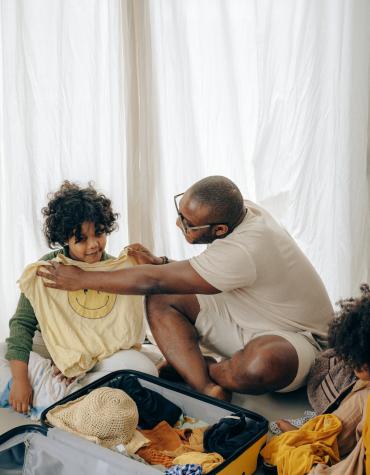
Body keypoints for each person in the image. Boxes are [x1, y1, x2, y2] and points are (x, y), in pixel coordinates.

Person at [37, 176, 333, 400]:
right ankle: (205, 386)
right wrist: (161, 261)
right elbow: (194, 274)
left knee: (263, 362)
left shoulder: (248, 246)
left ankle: (201, 369)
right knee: (162, 296)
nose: (179, 225)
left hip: (299, 338)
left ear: (219, 230)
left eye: (188, 223)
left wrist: (81, 279)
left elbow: (155, 279)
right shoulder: (242, 211)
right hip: (243, 312)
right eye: (180, 213)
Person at [5, 181, 156, 414]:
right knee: (5, 355)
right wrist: (20, 380)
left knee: (146, 370)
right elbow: (21, 325)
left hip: (98, 354)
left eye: (99, 233)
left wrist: (80, 362)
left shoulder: (116, 269)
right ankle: (68, 387)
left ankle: (67, 389)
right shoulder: (49, 268)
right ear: (65, 238)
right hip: (50, 348)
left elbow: (119, 327)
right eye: (81, 239)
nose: (93, 245)